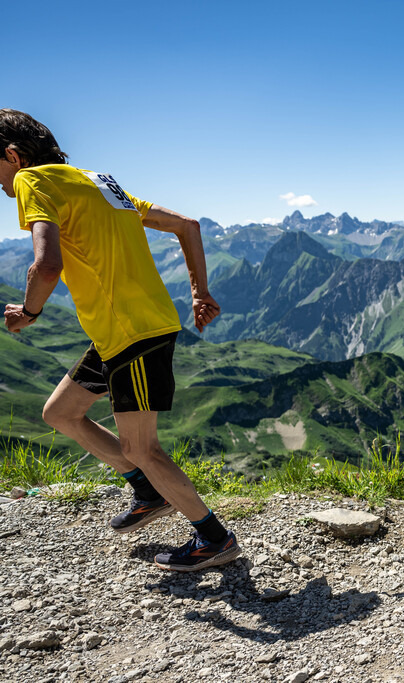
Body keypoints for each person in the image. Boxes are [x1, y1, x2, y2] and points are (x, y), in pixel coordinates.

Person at [0, 109, 240, 571]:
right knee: (61, 413)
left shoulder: (34, 183)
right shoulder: (97, 181)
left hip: (133, 334)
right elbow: (187, 225)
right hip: (120, 331)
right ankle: (148, 491)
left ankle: (215, 539)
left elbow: (46, 265)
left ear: (13, 155)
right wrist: (199, 290)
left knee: (140, 447)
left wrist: (27, 313)